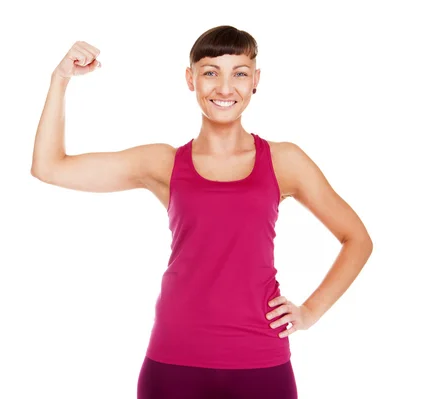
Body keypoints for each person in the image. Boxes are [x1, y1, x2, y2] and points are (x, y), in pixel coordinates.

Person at [31, 25, 373, 399]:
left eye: (239, 73)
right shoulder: (163, 163)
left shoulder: (283, 160)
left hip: (261, 360)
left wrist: (310, 312)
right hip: (174, 361)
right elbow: (49, 167)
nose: (225, 88)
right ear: (190, 79)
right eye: (211, 72)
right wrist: (60, 79)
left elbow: (356, 239)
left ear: (255, 80)